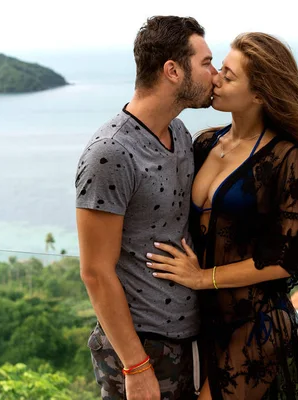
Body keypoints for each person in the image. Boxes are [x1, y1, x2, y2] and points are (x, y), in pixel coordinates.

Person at [146, 32, 298, 399]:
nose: (215, 78)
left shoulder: (287, 157)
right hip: (198, 324)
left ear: (259, 94)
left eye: (228, 76)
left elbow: (286, 260)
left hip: (254, 327)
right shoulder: (204, 142)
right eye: (219, 69)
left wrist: (202, 278)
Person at [75, 16, 217, 400]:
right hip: (140, 348)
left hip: (189, 339)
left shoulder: (179, 133)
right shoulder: (111, 153)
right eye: (206, 63)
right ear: (173, 70)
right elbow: (95, 271)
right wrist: (135, 367)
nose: (215, 74)